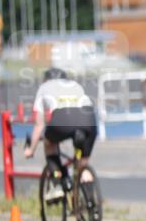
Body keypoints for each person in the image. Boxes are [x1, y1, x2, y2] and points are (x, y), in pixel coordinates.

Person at [24, 68, 98, 205]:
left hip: (63, 119)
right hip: (89, 121)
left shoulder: (44, 87)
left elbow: (39, 126)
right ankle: (91, 205)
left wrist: (31, 150)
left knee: (49, 143)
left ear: (46, 79)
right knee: (82, 164)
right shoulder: (75, 85)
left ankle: (57, 184)